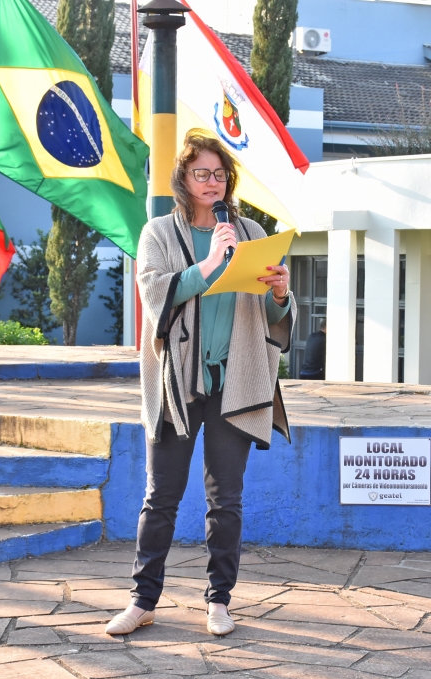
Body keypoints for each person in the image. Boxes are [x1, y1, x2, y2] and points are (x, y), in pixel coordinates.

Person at [105, 129, 296, 637]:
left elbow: (272, 315)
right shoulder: (158, 234)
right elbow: (153, 295)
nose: (212, 182)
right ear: (183, 180)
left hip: (235, 381)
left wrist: (280, 294)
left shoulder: (249, 231)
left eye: (219, 174)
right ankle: (142, 601)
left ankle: (219, 601)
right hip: (177, 382)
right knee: (160, 497)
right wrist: (209, 264)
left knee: (225, 500)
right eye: (201, 174)